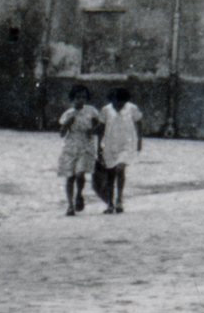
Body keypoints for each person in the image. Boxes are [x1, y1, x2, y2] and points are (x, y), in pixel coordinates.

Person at [55, 84, 102, 216]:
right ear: (72, 98)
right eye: (77, 97)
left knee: (80, 173)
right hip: (71, 146)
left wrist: (92, 130)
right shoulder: (67, 114)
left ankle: (79, 194)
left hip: (86, 145)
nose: (80, 100)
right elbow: (62, 133)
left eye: (82, 97)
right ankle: (70, 205)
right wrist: (67, 124)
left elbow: (99, 127)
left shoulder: (91, 111)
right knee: (70, 176)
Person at [97, 87, 144, 213]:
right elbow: (101, 128)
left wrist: (139, 140)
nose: (118, 104)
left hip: (126, 144)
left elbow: (139, 122)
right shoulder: (106, 110)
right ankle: (110, 203)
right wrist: (99, 148)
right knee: (110, 175)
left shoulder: (132, 108)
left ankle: (119, 200)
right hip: (110, 144)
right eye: (116, 101)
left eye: (121, 102)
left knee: (120, 169)